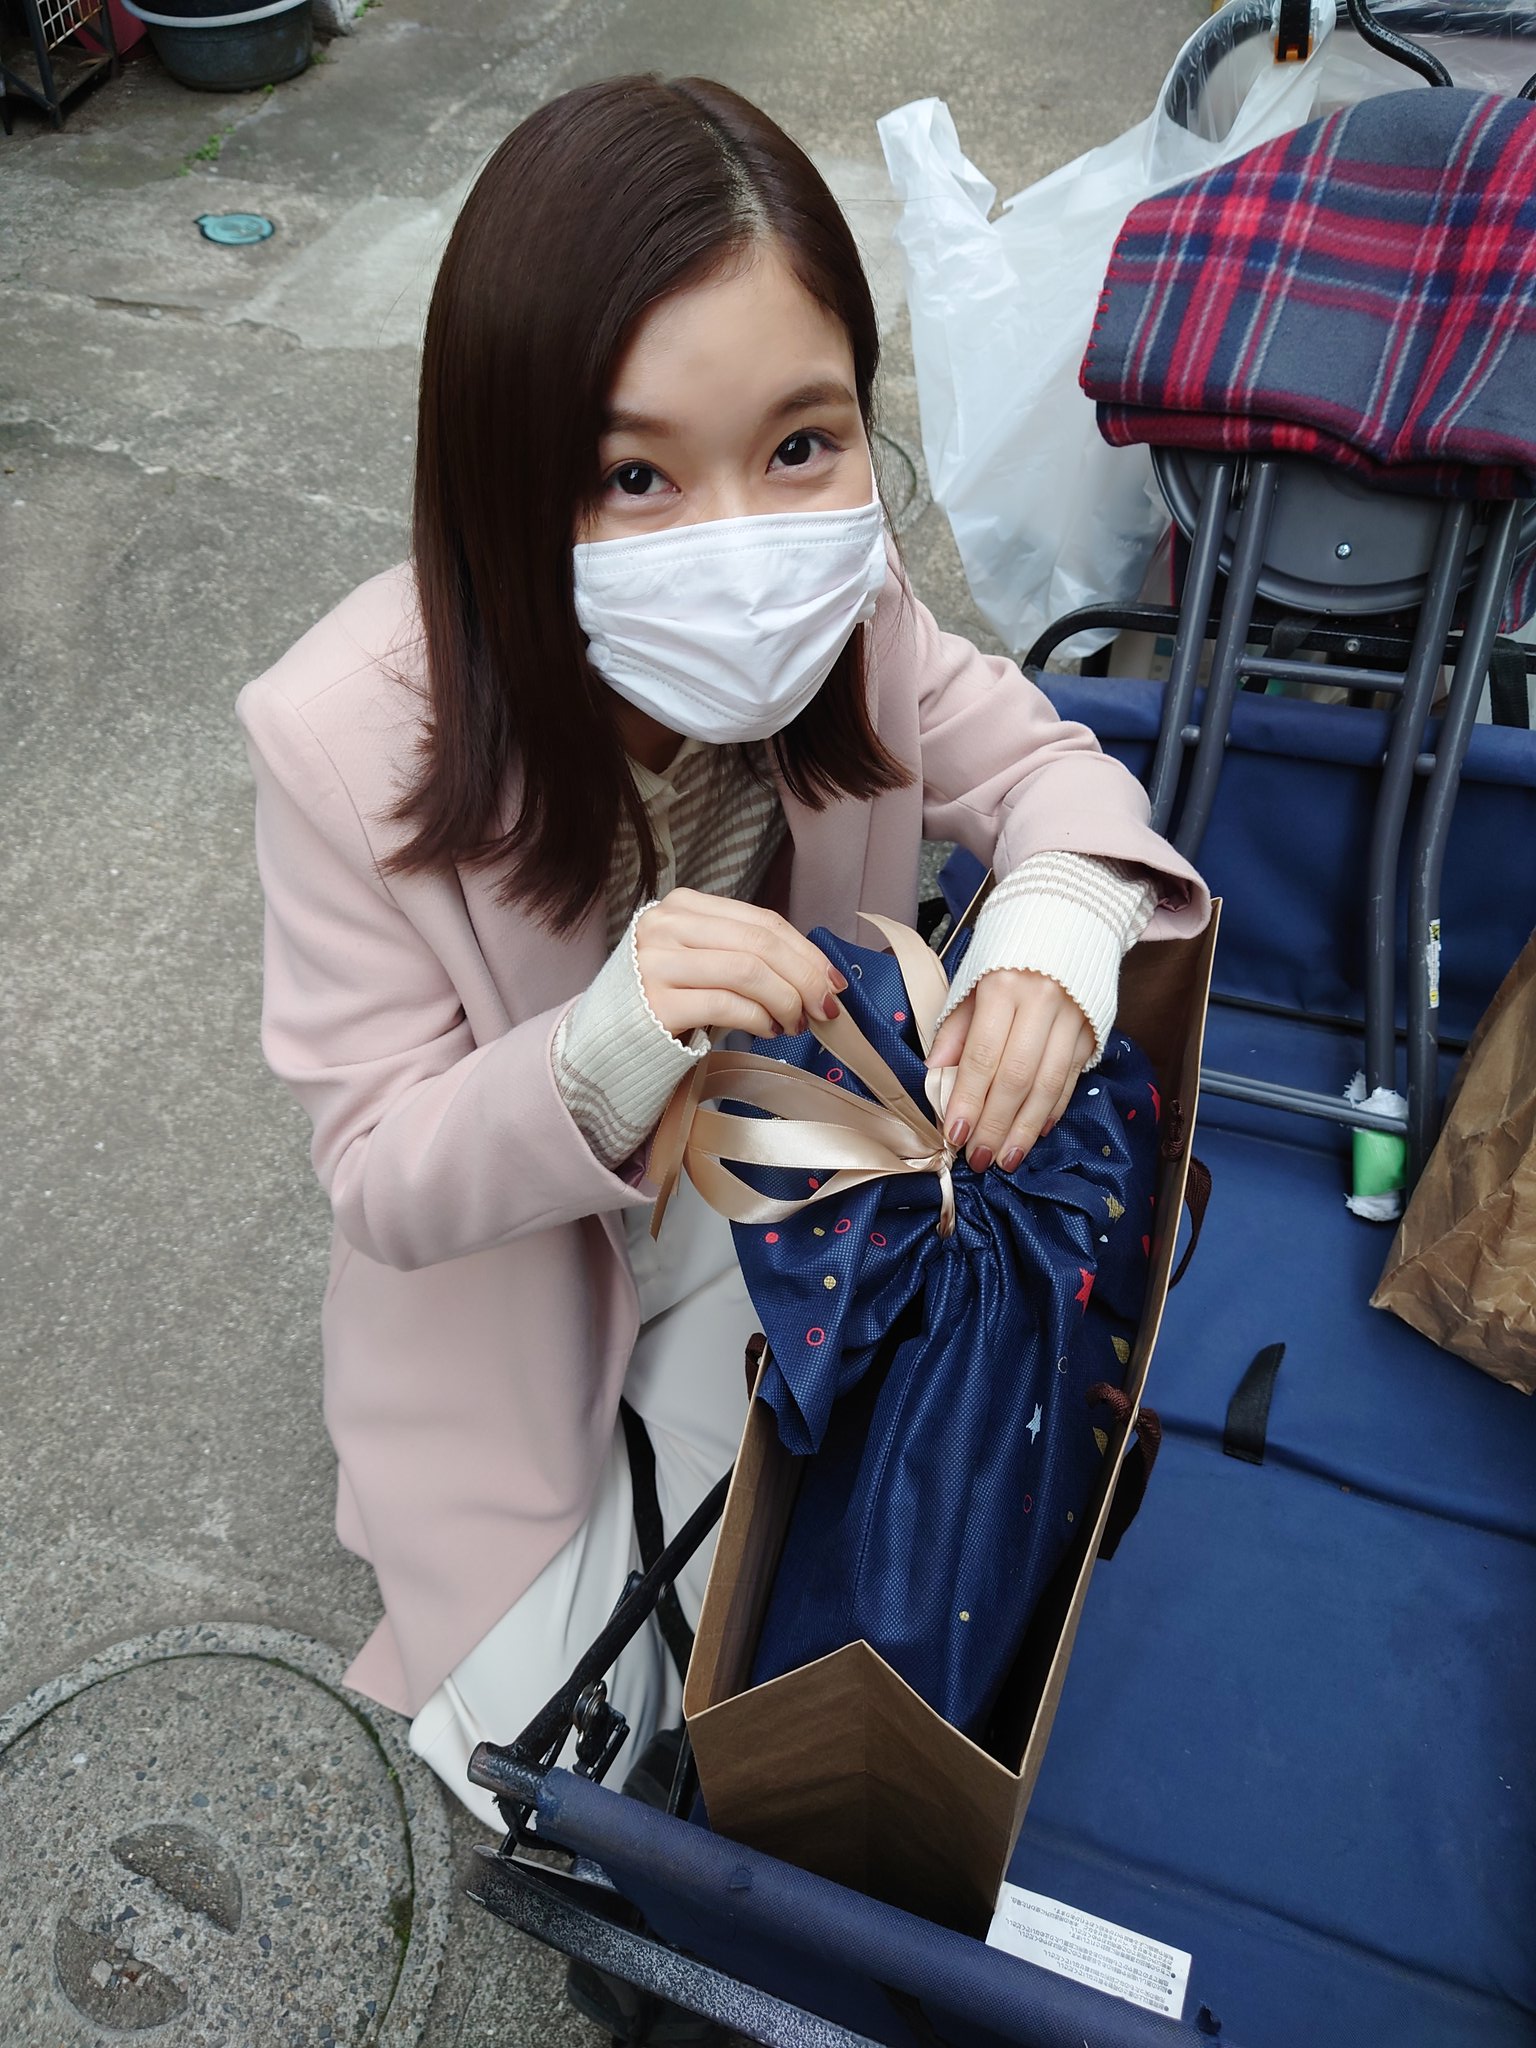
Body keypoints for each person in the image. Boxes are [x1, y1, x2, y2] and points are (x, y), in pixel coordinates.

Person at [237, 74, 1209, 1833]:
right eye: (634, 474)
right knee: (572, 1765)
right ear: (503, 478)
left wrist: (1058, 932)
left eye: (800, 444)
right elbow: (377, 1169)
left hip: (783, 1175)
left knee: (800, 1611)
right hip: (516, 1286)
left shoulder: (853, 599)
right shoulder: (343, 741)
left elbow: (1045, 771)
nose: (745, 545)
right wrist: (604, 1048)